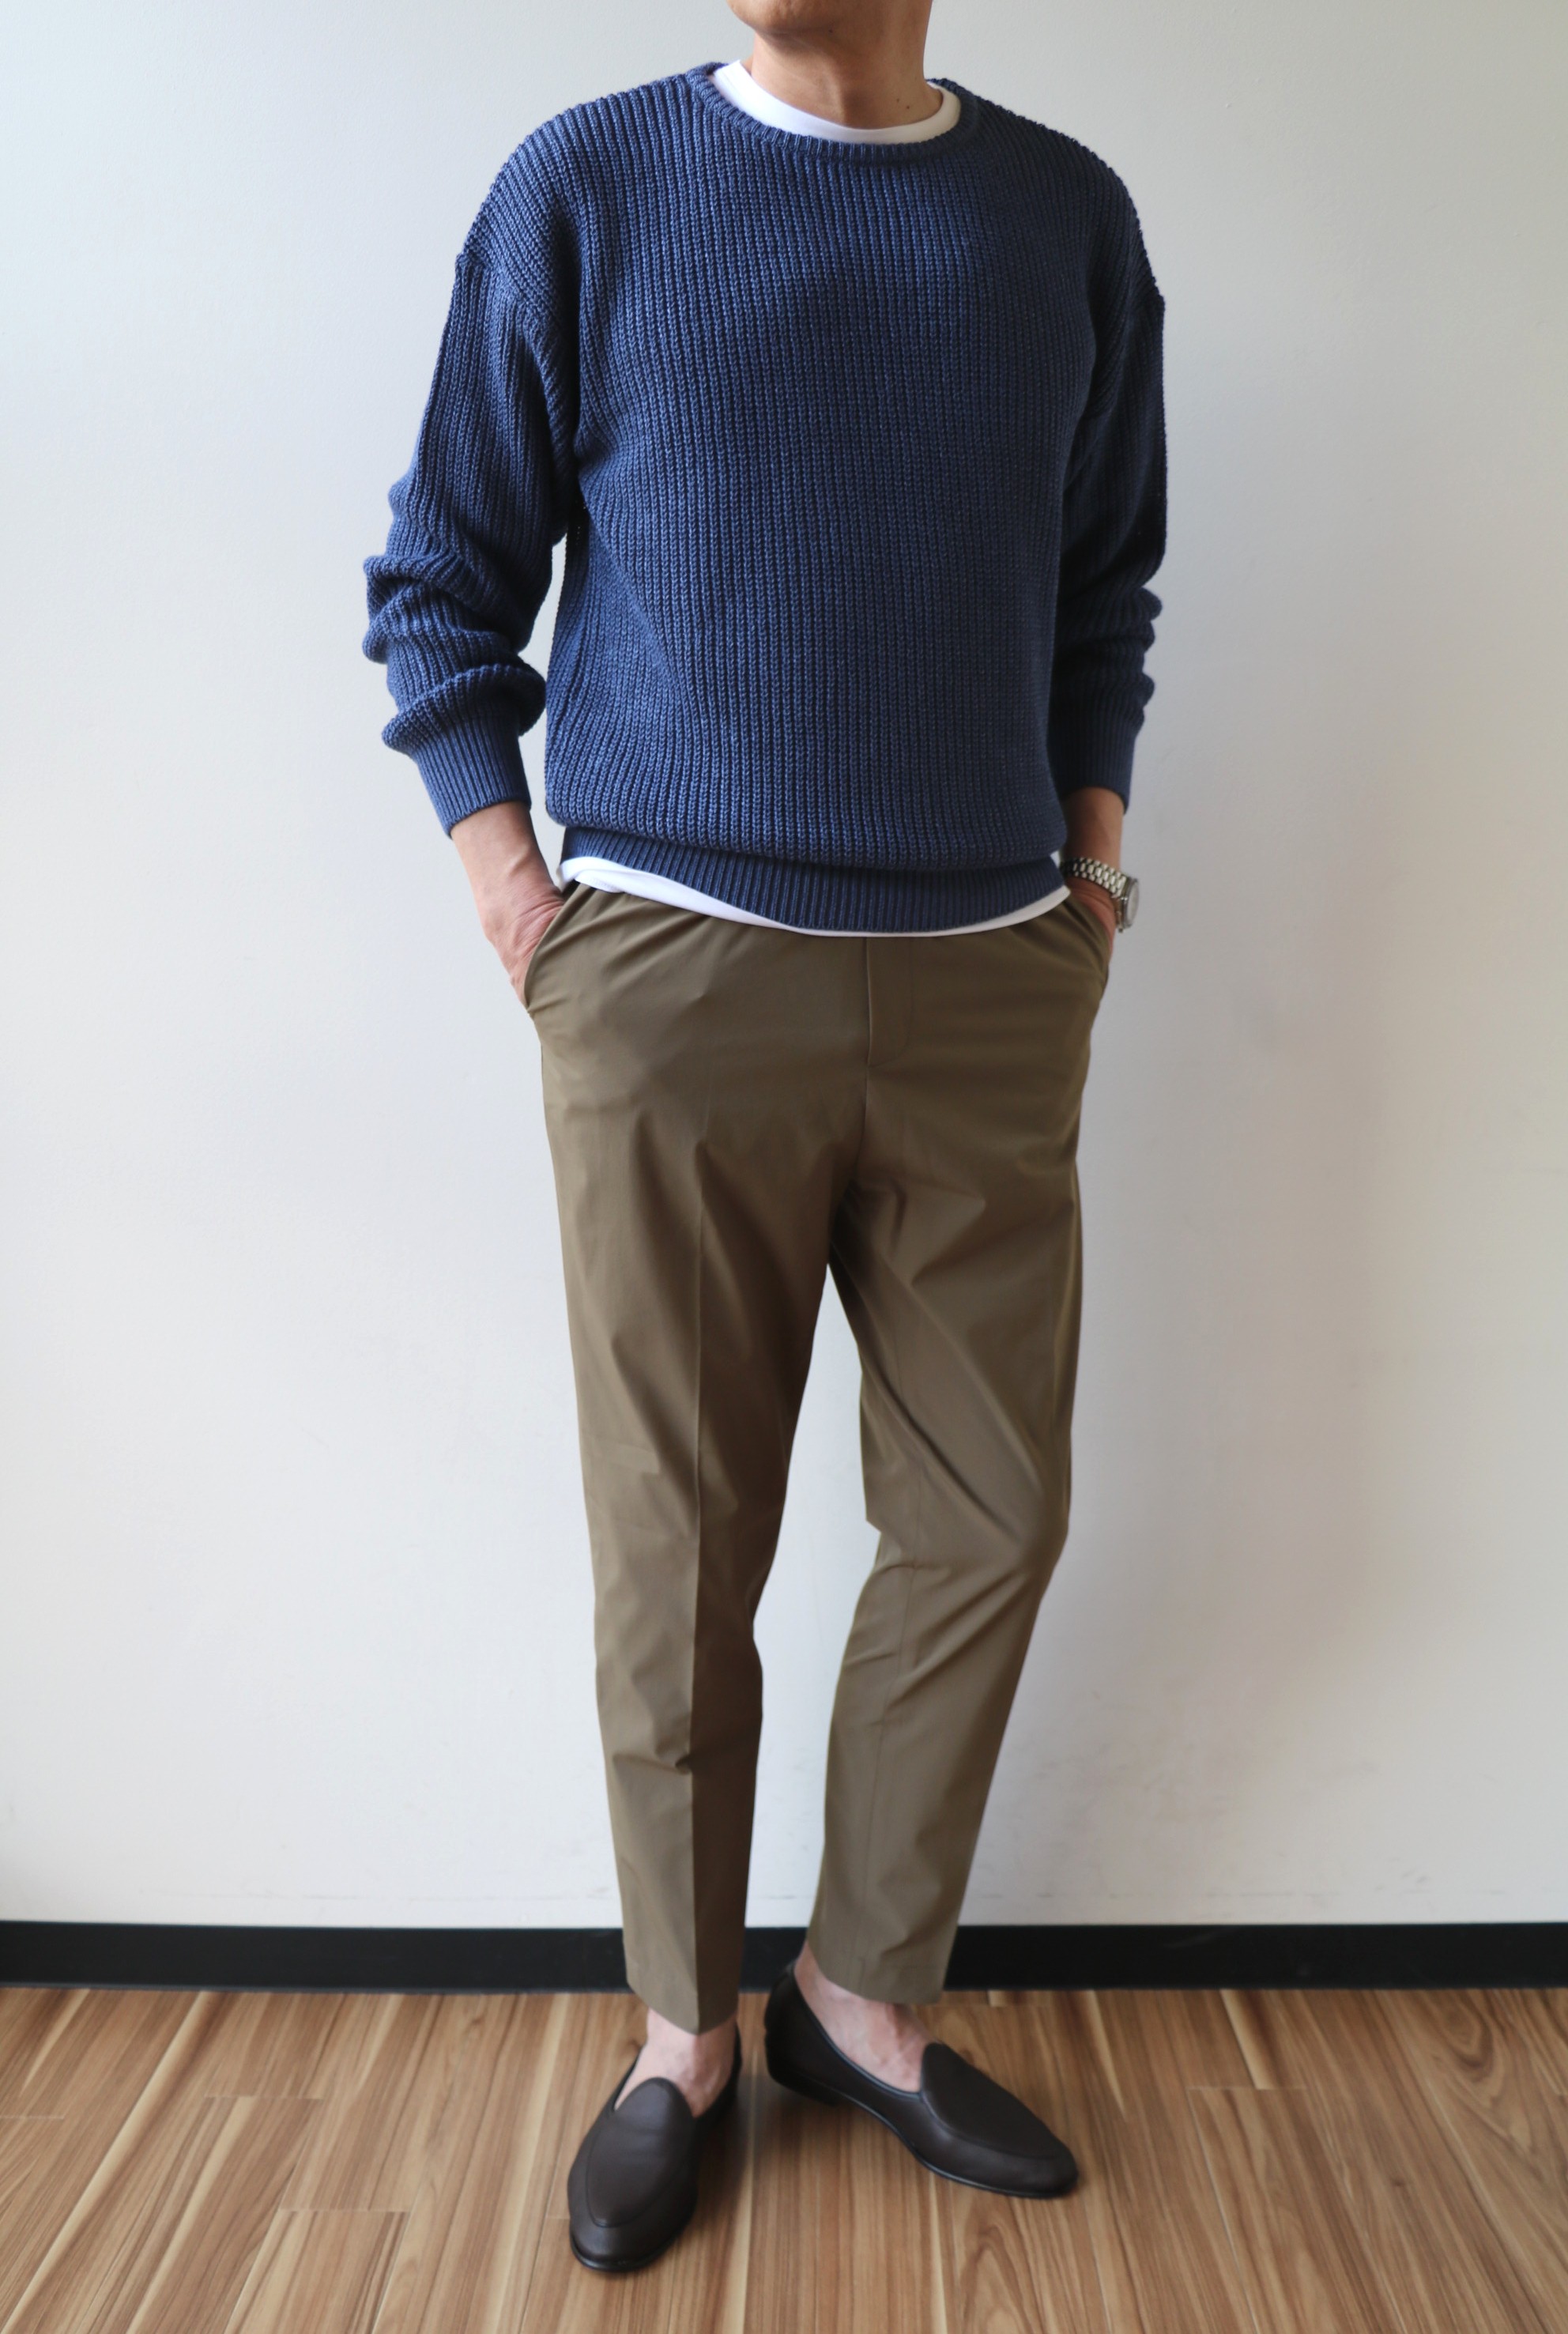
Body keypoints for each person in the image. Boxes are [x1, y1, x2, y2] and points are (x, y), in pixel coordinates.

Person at [365, 0, 1164, 2275]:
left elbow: (1103, 586)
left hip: (990, 978)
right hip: (674, 974)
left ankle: (862, 1996)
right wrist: (520, 899)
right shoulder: (591, 185)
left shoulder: (1062, 219)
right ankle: (681, 2035)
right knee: (678, 1550)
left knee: (992, 1517)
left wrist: (1091, 874)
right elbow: (441, 578)